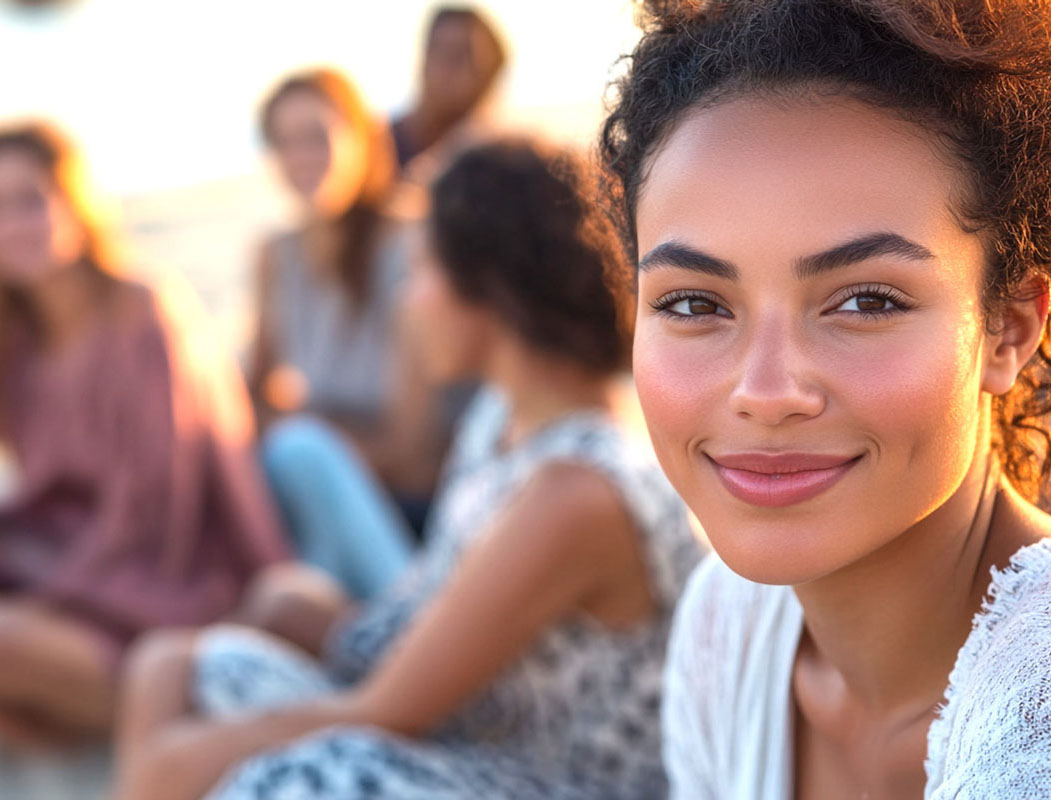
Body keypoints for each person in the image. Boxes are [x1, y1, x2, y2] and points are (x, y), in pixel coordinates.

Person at [599, 0, 1051, 796]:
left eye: (866, 301)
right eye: (694, 304)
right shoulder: (727, 627)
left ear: (1009, 328)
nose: (767, 392)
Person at [113, 138, 704, 800]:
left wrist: (167, 769)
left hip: (556, 781)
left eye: (421, 268)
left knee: (289, 780)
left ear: (488, 286)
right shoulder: (499, 419)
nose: (406, 298)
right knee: (189, 668)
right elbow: (419, 624)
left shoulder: (577, 490)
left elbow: (388, 710)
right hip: (476, 737)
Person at [0, 123, 288, 748]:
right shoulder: (14, 339)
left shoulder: (143, 310)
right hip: (69, 569)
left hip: (164, 587)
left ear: (74, 202)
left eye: (30, 199)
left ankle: (122, 712)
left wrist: (48, 598)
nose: (14, 224)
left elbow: (159, 507)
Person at [250, 69, 448, 597]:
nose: (302, 156)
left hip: (417, 516)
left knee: (295, 451)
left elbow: (414, 454)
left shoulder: (412, 241)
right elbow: (251, 398)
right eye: (284, 142)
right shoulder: (277, 255)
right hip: (326, 494)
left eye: (317, 135)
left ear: (363, 137)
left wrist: (308, 429)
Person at [389, 6, 507, 176]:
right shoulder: (375, 151)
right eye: (448, 53)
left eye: (469, 59)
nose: (458, 71)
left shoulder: (492, 165)